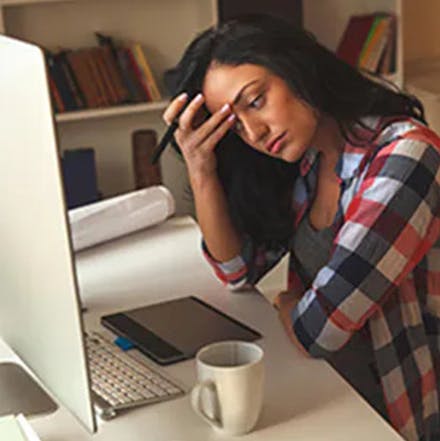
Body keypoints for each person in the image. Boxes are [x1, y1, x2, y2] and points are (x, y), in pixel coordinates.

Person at [162, 15, 440, 441]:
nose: (253, 132)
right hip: (323, 386)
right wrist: (202, 171)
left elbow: (317, 332)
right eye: (233, 124)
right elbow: (236, 271)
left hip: (398, 408)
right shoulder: (307, 159)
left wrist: (287, 302)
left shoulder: (405, 157)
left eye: (255, 101)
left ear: (299, 69)